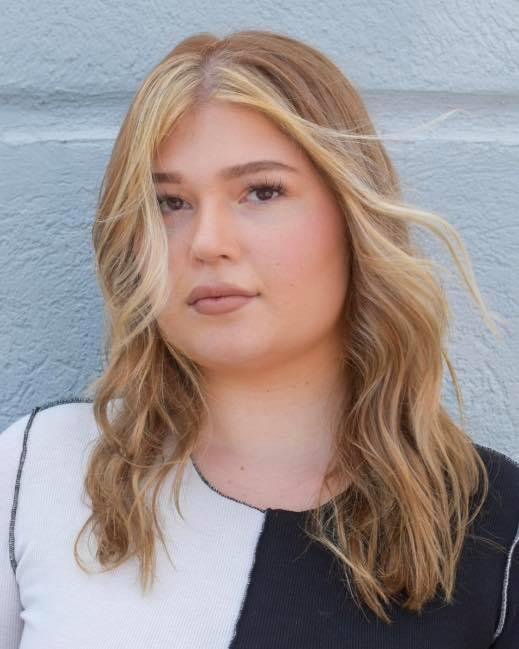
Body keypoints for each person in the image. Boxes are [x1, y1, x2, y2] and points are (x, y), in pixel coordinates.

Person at [1, 29, 518, 649]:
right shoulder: (42, 468)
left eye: (262, 192)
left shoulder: (493, 526)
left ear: (353, 218)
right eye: (169, 203)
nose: (207, 242)